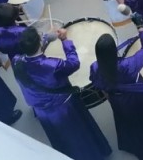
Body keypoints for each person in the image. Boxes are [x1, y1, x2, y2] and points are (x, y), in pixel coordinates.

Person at [12, 26, 112, 160]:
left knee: (62, 138)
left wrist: (48, 37)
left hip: (41, 109)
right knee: (78, 135)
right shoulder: (52, 65)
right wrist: (65, 40)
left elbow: (35, 47)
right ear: (39, 43)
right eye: (41, 36)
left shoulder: (16, 60)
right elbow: (73, 63)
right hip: (63, 108)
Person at [90, 28, 143, 159]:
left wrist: (110, 97)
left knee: (129, 124)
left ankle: (137, 148)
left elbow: (97, 84)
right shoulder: (128, 65)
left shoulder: (95, 67)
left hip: (116, 100)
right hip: (137, 98)